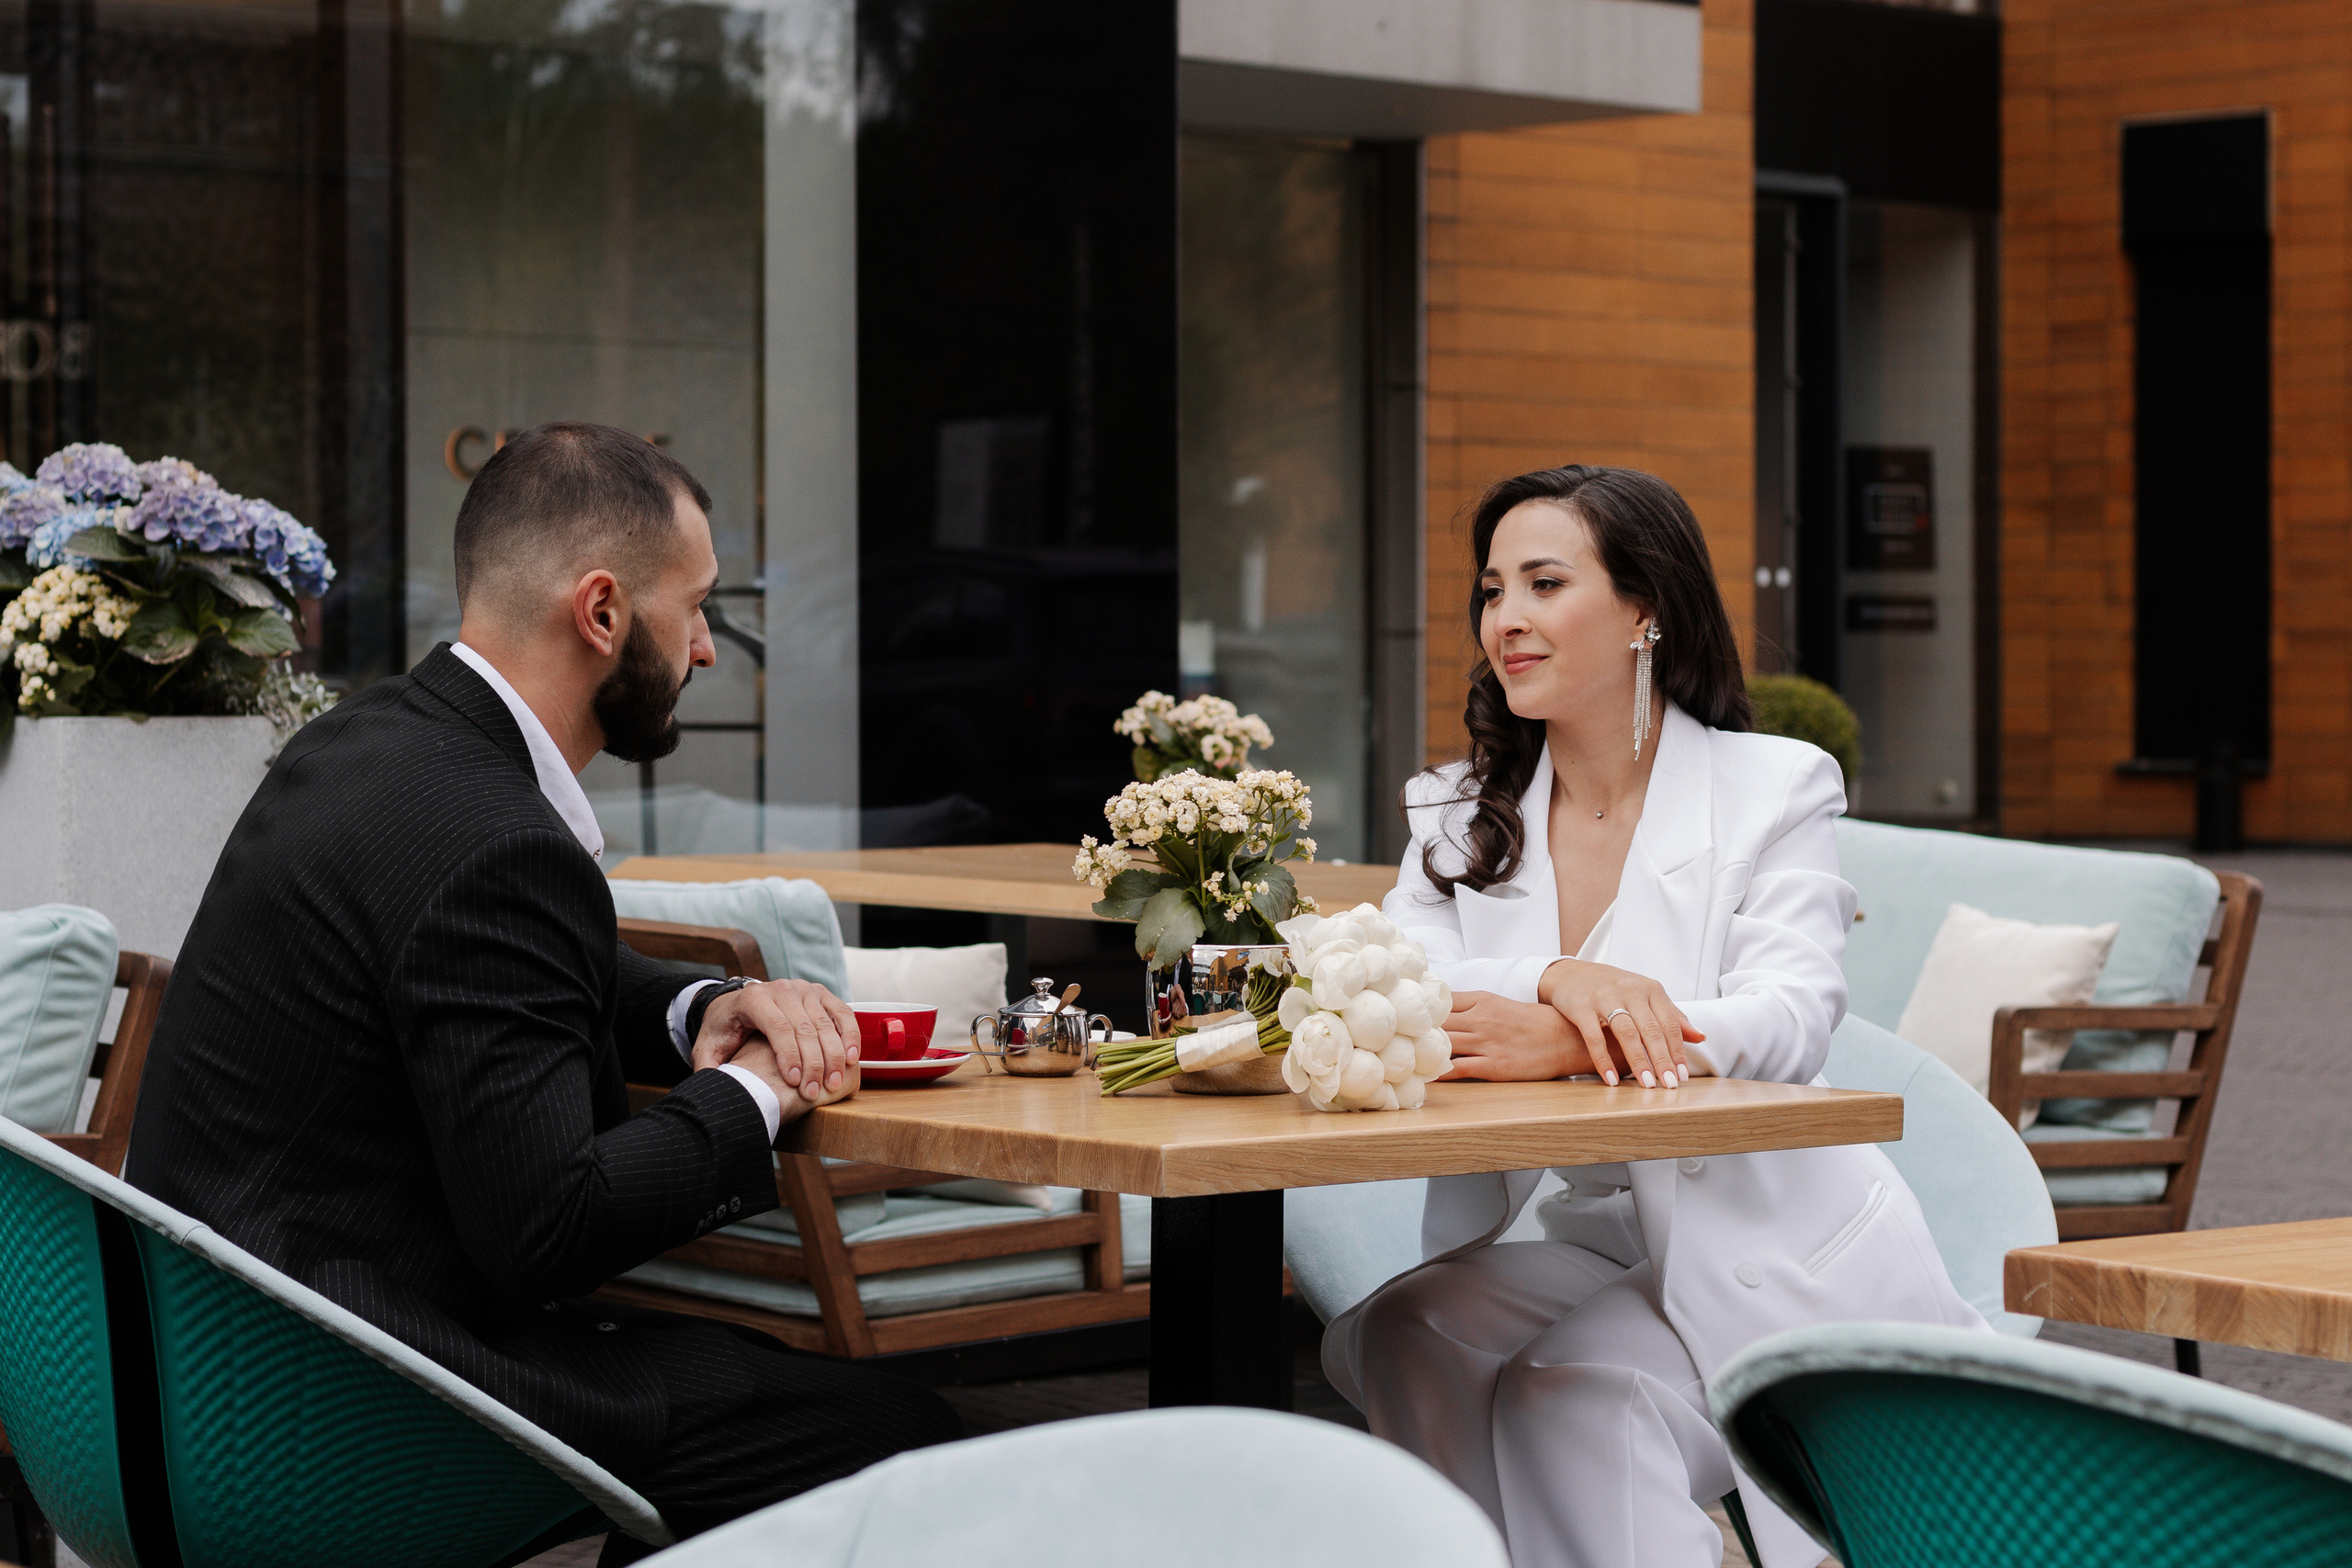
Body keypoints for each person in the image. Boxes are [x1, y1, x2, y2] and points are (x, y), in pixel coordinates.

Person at [127, 423, 961, 1563]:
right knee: (902, 1433)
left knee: (758, 1379)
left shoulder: (366, 741)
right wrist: (760, 1093)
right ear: (602, 611)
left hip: (205, 1372)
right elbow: (549, 1231)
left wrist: (703, 1008)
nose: (706, 648)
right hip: (338, 1409)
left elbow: (500, 963)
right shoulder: (493, 841)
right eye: (696, 606)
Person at [1321, 466, 1984, 1568]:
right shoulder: (1454, 811)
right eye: (1491, 590)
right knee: (1408, 1332)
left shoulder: (1774, 785)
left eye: (1544, 583)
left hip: (1776, 1236)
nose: (1506, 618)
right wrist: (1557, 979)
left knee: (1578, 1395)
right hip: (1600, 1234)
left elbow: (1791, 1015)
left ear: (1644, 610)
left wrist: (1572, 1042)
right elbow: (1398, 986)